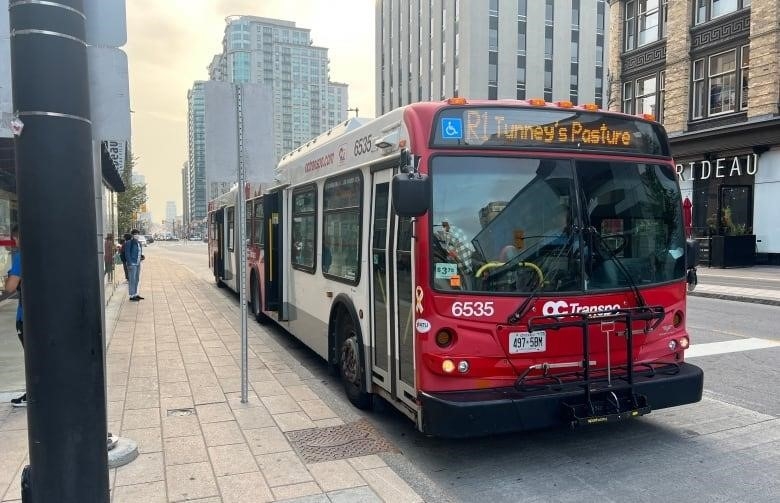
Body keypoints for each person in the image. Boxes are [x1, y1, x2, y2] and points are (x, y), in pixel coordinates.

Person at [4, 225, 25, 406]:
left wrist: (8, 275)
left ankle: (33, 394)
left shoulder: (21, 257)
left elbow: (10, 287)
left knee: (32, 358)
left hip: (26, 315)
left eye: (15, 239)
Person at [123, 229, 144, 301]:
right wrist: (130, 263)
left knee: (137, 279)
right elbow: (127, 253)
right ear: (132, 235)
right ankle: (131, 296)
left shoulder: (138, 243)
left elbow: (139, 252)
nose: (137, 235)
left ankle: (135, 294)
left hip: (138, 263)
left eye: (138, 234)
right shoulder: (129, 243)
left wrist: (141, 256)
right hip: (132, 264)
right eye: (135, 234)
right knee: (132, 279)